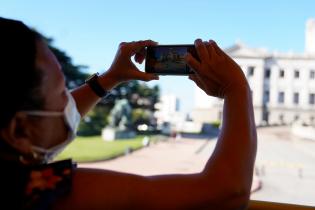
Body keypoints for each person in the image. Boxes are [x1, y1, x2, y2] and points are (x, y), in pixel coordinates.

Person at [0, 17, 257, 210]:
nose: (69, 103)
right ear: (18, 130)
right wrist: (236, 89)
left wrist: (110, 78)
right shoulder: (42, 193)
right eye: (61, 93)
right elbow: (226, 191)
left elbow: (43, 120)